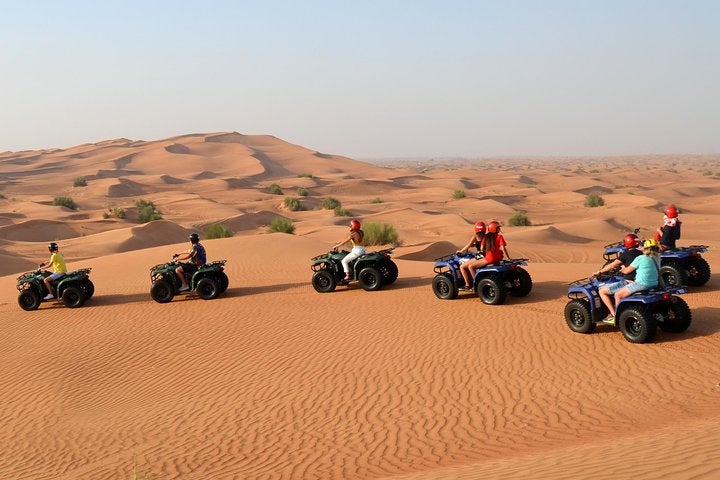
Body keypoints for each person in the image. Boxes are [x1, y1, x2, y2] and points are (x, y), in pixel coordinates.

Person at [598, 238, 661, 325]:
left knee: (618, 295)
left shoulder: (641, 258)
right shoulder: (657, 258)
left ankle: (617, 316)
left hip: (641, 284)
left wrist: (622, 269)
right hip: (654, 284)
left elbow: (627, 271)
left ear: (646, 248)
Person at [460, 220, 510, 291]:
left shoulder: (480, 237)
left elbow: (475, 247)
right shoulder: (487, 236)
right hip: (493, 256)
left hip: (484, 257)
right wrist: (508, 257)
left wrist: (461, 251)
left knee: (464, 266)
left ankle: (470, 285)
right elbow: (501, 248)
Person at [458, 221, 486, 291]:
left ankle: (468, 285)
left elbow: (468, 245)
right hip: (486, 255)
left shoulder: (475, 236)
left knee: (462, 267)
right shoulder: (486, 236)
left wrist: (461, 251)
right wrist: (474, 245)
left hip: (481, 256)